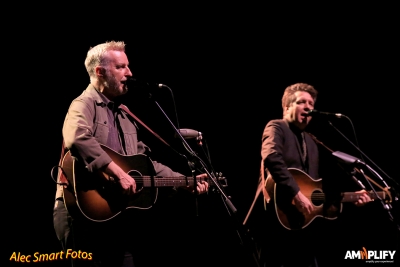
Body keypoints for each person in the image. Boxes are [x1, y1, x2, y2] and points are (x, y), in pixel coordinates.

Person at [53, 40, 209, 267]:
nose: (129, 73)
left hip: (116, 218)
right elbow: (77, 138)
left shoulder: (125, 116)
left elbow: (145, 164)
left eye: (128, 66)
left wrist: (184, 181)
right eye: (121, 67)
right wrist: (117, 172)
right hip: (80, 215)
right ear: (100, 71)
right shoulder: (84, 104)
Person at [246, 83, 372, 267]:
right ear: (287, 107)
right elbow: (272, 157)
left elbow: (315, 193)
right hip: (273, 224)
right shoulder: (276, 127)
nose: (308, 107)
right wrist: (296, 194)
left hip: (301, 228)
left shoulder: (312, 142)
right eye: (301, 102)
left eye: (311, 103)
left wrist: (351, 199)